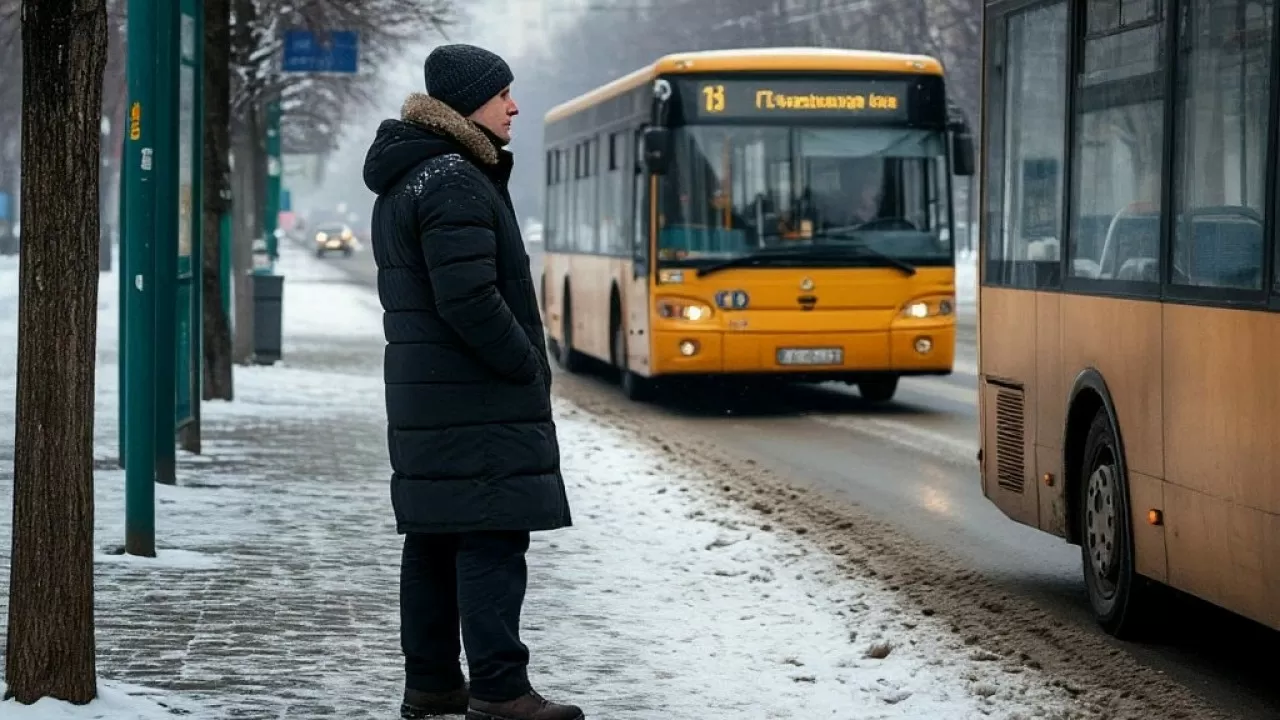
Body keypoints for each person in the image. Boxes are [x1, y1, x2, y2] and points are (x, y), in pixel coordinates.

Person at [361, 43, 581, 720]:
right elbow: (468, 299)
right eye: (501, 93)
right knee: (491, 536)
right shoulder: (454, 178)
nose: (514, 106)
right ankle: (499, 690)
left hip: (434, 395)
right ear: (466, 103)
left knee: (435, 539)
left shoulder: (414, 174)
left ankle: (432, 683)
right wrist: (527, 364)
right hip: (475, 396)